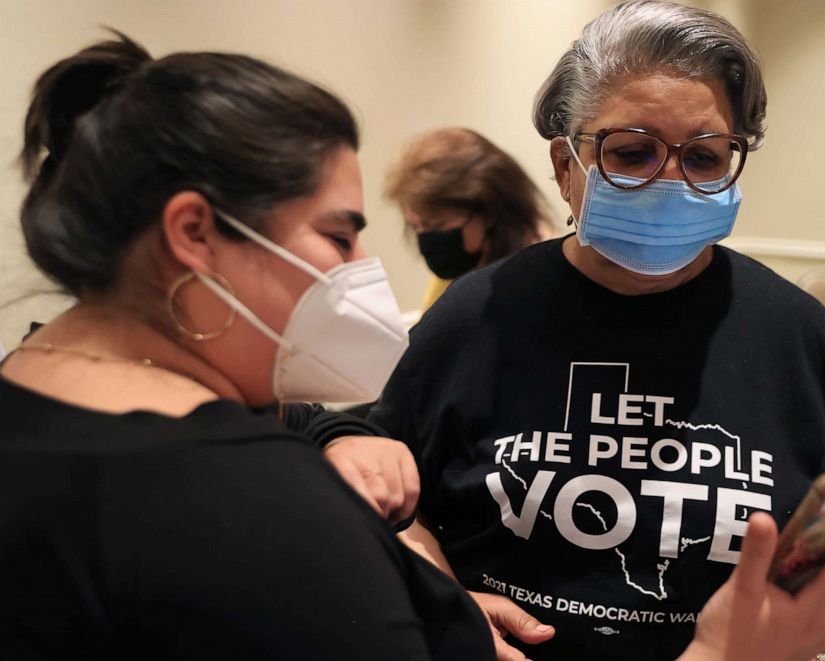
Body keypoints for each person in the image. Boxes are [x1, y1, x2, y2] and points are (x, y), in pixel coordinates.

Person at [367, 2, 825, 660]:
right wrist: (442, 603)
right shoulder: (471, 317)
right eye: (633, 152)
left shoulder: (800, 338)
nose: (671, 179)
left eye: (706, 157)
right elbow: (391, 498)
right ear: (565, 167)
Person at [0, 32, 493, 658]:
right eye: (339, 238)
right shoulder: (256, 504)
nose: (363, 267)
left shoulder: (31, 385)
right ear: (195, 232)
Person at [385, 127, 552, 311]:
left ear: (489, 213)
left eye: (437, 225)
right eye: (416, 227)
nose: (425, 238)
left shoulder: (542, 277)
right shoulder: (451, 278)